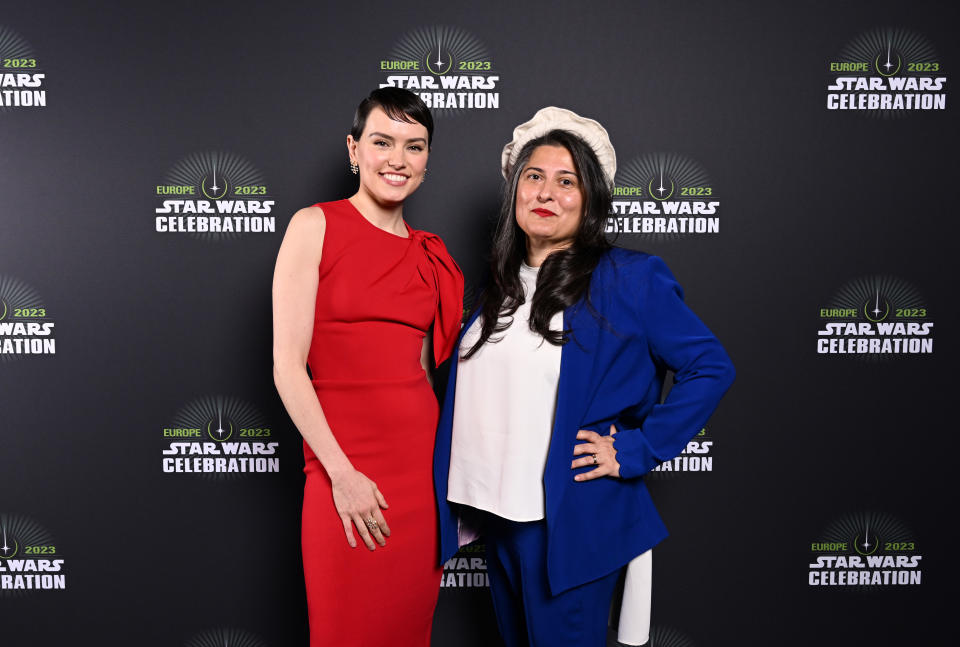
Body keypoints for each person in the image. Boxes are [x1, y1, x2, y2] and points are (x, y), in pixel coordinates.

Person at [432, 107, 735, 647]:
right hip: (499, 519)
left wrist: (638, 448)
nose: (546, 193)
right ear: (515, 189)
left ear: (591, 198)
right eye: (534, 176)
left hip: (570, 525)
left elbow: (710, 366)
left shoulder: (631, 279)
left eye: (566, 181)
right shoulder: (496, 287)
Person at [273, 87, 463, 646]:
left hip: (419, 480)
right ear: (355, 150)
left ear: (427, 161)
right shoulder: (315, 226)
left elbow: (426, 375)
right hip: (342, 473)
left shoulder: (432, 255)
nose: (397, 160)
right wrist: (342, 473)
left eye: (414, 146)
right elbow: (288, 366)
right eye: (383, 142)